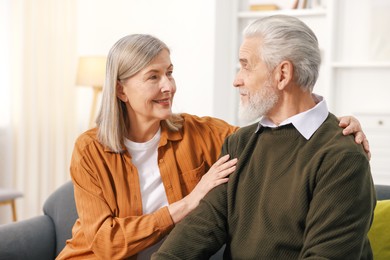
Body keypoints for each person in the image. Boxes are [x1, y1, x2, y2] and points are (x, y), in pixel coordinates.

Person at [57, 34, 369, 260]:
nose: (169, 86)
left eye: (170, 72)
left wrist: (337, 126)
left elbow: (277, 137)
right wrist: (187, 203)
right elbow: (105, 243)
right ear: (121, 91)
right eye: (153, 77)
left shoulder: (202, 133)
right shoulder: (89, 150)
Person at [153, 15, 376, 259]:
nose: (236, 80)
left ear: (282, 74)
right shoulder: (240, 142)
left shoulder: (342, 156)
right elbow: (202, 226)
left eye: (246, 65)